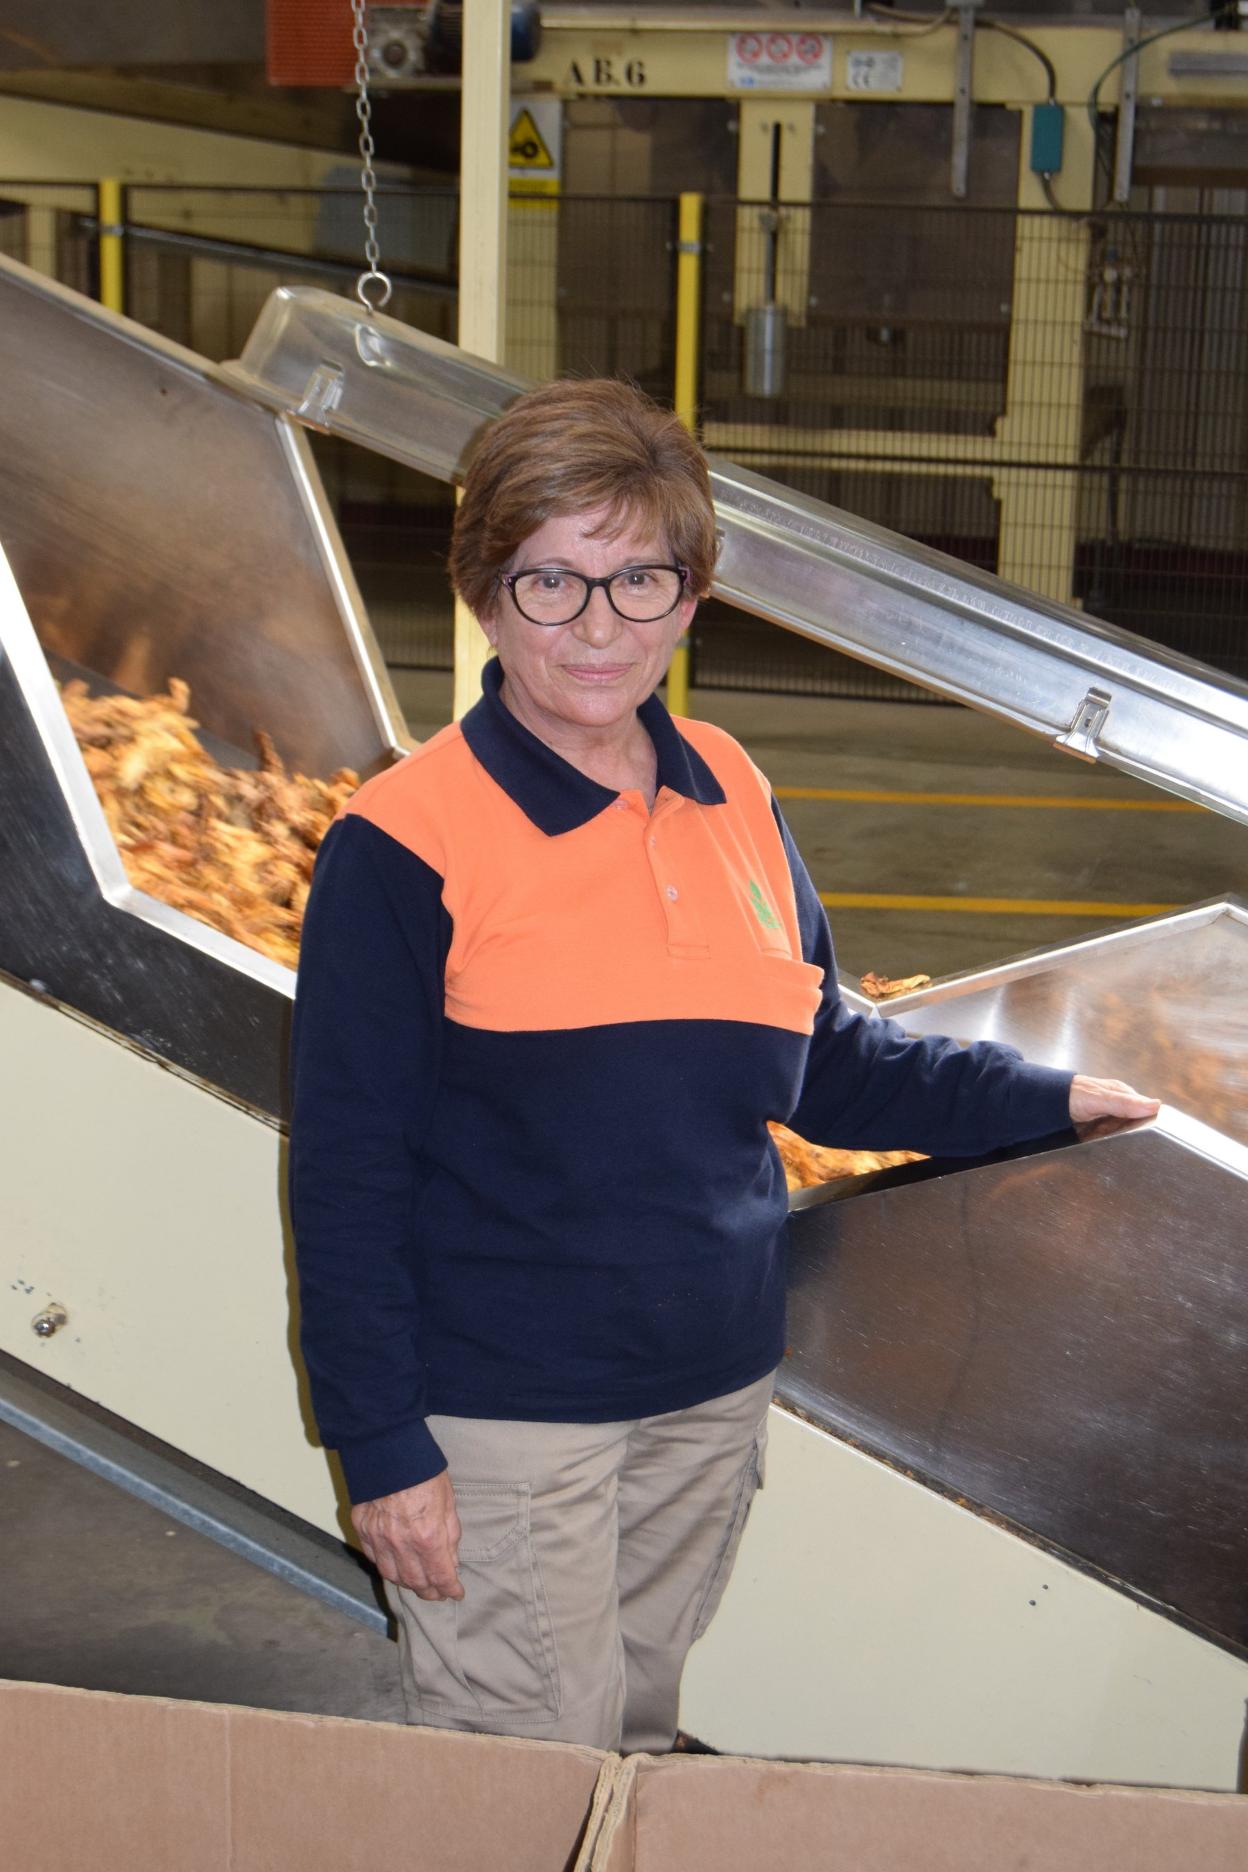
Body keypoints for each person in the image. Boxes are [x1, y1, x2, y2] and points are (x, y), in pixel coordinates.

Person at [289, 377, 1158, 1752]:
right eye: (550, 583)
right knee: (523, 1775)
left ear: (691, 598)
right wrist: (383, 1449)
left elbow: (822, 1054)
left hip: (707, 1394)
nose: (596, 628)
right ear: (483, 593)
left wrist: (1048, 1101)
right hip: (508, 1418)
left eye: (638, 580)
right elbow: (343, 1177)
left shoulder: (731, 788)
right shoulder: (406, 842)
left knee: (632, 1735)